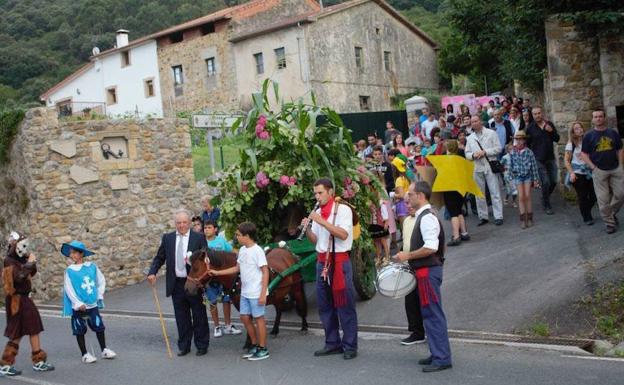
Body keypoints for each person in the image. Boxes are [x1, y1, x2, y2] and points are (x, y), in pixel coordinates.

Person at [393, 181, 452, 373]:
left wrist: (407, 256)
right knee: (429, 315)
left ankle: (442, 358)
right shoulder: (423, 216)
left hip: (428, 272)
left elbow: (431, 247)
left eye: (410, 194)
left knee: (433, 315)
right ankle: (437, 353)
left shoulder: (426, 218)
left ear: (420, 196)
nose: (407, 198)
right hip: (425, 271)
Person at [303, 178, 358, 360]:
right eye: (315, 193)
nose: (317, 197)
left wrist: (321, 221)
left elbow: (343, 235)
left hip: (339, 262)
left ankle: (350, 345)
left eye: (320, 193)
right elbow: (317, 241)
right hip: (322, 262)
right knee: (325, 305)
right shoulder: (319, 211)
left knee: (344, 305)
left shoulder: (343, 210)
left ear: (330, 192)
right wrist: (308, 228)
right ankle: (332, 343)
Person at [147, 209, 210, 356]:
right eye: (178, 223)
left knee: (199, 314)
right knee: (181, 317)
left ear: (189, 223)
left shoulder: (199, 237)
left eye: (184, 222)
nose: (181, 225)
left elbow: (205, 258)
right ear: (175, 224)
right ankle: (184, 346)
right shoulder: (168, 238)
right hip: (176, 283)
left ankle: (202, 345)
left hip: (194, 282)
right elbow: (159, 257)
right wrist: (152, 272)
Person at [209, 222, 270, 360]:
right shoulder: (242, 250)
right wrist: (218, 273)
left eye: (238, 235)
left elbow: (265, 272)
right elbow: (237, 268)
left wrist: (263, 294)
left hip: (256, 292)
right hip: (245, 292)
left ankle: (263, 348)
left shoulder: (257, 251)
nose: (236, 237)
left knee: (259, 319)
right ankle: (254, 345)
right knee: (244, 317)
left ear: (247, 236)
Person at [0, 233, 54, 376]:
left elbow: (31, 273)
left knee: (32, 327)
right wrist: (29, 263)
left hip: (24, 298)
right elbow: (18, 278)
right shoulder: (9, 260)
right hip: (16, 299)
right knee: (19, 330)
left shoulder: (20, 258)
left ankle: (37, 361)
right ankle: (7, 364)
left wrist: (30, 262)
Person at [62, 240, 116, 363]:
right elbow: (69, 288)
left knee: (99, 326)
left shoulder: (92, 267)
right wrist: (77, 303)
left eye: (74, 252)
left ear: (81, 254)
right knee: (79, 329)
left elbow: (101, 280)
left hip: (92, 303)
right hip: (80, 306)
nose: (72, 255)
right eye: (71, 253)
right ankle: (85, 354)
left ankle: (104, 350)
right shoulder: (69, 270)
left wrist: (99, 294)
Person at [581, 109, 624, 234]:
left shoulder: (612, 133)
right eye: (596, 116)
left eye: (600, 116)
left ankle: (609, 213)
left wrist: (621, 165)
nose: (598, 118)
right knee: (603, 199)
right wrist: (593, 167)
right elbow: (584, 154)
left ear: (604, 118)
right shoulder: (588, 135)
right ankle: (610, 223)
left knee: (621, 194)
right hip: (599, 170)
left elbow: (620, 149)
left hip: (615, 168)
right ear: (593, 119)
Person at [203, 220, 242, 338]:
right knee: (212, 301)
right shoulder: (202, 242)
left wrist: (244, 252)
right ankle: (216, 326)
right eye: (205, 228)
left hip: (224, 278)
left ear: (215, 229)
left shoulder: (221, 241)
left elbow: (232, 251)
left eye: (209, 227)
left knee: (227, 300)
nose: (206, 230)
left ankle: (228, 325)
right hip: (210, 279)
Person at [465, 115, 504, 226]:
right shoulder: (470, 138)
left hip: (489, 165)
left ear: (480, 121)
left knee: (494, 191)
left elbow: (498, 148)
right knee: (479, 193)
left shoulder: (491, 133)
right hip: (477, 167)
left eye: (476, 121)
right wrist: (473, 155)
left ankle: (498, 216)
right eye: (472, 122)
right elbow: (467, 153)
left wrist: (485, 152)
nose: (474, 123)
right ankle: (483, 216)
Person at [399, 206, 426, 346]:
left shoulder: (425, 219)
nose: (408, 206)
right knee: (410, 300)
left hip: (423, 263)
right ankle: (417, 332)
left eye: (410, 203)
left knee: (426, 300)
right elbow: (406, 242)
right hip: (409, 264)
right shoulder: (406, 221)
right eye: (406, 203)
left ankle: (430, 332)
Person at [526, 106, 559, 215]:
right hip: (538, 159)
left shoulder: (549, 124)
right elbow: (527, 144)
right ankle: (546, 204)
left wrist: (551, 131)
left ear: (542, 113)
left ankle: (545, 196)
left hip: (550, 157)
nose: (537, 115)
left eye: (539, 113)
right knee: (545, 182)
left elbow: (557, 138)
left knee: (554, 181)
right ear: (533, 115)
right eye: (535, 114)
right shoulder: (530, 128)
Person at [565, 121, 597, 225]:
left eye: (580, 128)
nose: (579, 130)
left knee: (594, 195)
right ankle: (587, 217)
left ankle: (586, 210)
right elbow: (566, 161)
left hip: (589, 172)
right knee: (582, 196)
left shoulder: (587, 141)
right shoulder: (571, 145)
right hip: (577, 173)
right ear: (573, 132)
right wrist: (572, 173)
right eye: (576, 129)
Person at [509, 132, 540, 229]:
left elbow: (534, 166)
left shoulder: (529, 152)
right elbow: (511, 165)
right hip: (518, 176)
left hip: (527, 176)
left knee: (527, 195)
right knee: (521, 197)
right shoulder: (513, 152)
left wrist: (535, 179)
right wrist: (510, 177)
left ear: (524, 140)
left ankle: (530, 217)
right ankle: (523, 219)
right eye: (517, 139)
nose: (519, 141)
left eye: (521, 139)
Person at [442, 141, 470, 246]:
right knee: (459, 211)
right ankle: (464, 233)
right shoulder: (460, 158)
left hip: (449, 189)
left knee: (453, 213)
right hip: (460, 188)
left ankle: (456, 236)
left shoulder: (445, 160)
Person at [500, 143, 518, 208]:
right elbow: (500, 164)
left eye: (513, 149)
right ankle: (510, 201)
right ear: (507, 150)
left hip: (514, 175)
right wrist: (504, 169)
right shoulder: (505, 157)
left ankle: (509, 200)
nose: (512, 150)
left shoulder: (516, 156)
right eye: (510, 149)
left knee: (512, 190)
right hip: (507, 175)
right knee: (512, 190)